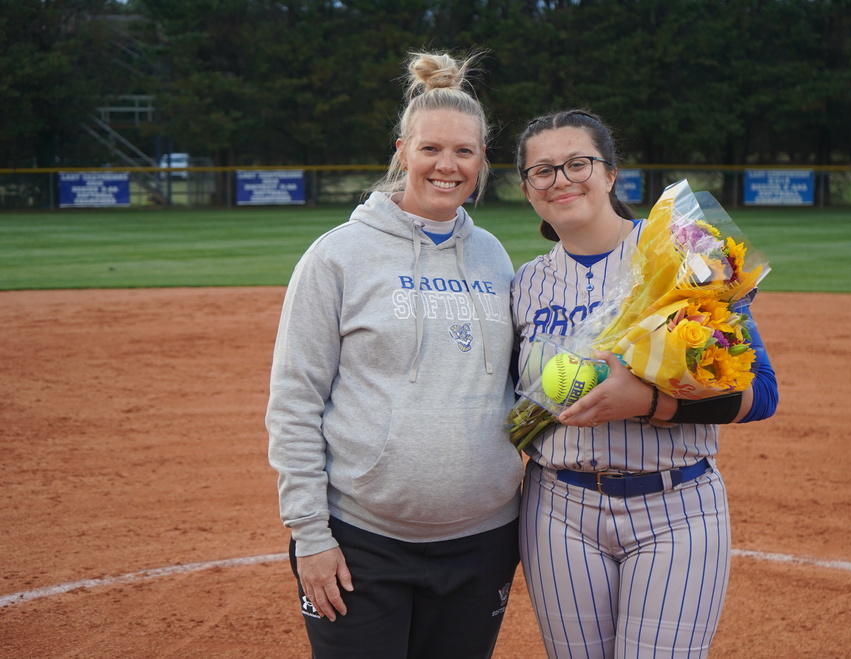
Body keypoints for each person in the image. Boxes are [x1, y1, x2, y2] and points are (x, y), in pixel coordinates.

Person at [266, 50, 524, 659]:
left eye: (465, 151)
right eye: (431, 148)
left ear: (483, 161)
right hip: (363, 543)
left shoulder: (493, 257)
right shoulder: (337, 256)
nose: (447, 165)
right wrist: (310, 535)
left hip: (483, 541)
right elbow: (295, 402)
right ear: (403, 149)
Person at [511, 109, 779, 658]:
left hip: (676, 506)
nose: (561, 179)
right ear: (528, 190)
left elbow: (762, 394)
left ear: (611, 174)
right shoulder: (523, 284)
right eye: (543, 171)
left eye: (577, 163)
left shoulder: (687, 254)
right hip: (557, 511)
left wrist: (652, 401)